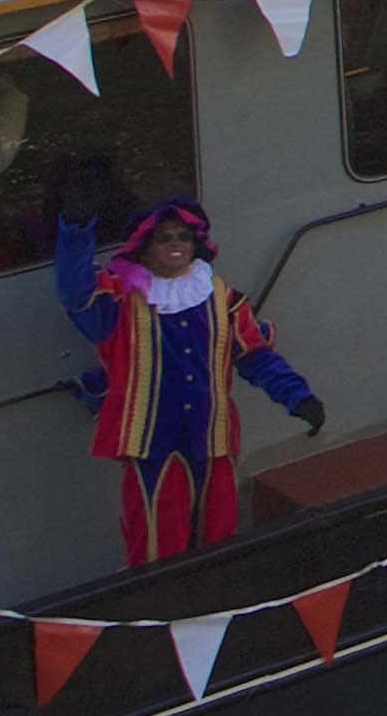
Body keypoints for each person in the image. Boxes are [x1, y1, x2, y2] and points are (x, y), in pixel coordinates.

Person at [57, 185, 322, 563]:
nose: (175, 243)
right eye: (164, 238)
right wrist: (76, 232)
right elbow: (74, 291)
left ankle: (212, 613)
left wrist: (299, 398)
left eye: (183, 236)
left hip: (212, 440)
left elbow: (256, 358)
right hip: (152, 446)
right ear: (145, 246)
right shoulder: (119, 300)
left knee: (218, 541)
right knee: (155, 545)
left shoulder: (222, 299)